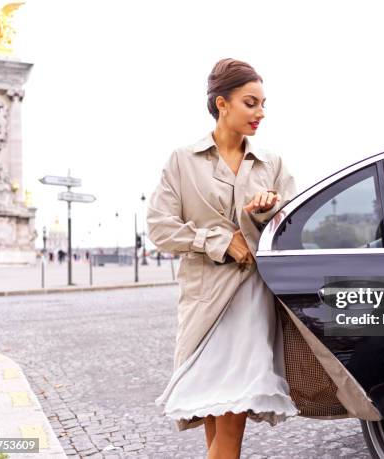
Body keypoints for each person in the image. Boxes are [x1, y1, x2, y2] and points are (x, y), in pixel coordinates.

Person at [147, 58, 299, 458]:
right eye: (251, 103)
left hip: (250, 303)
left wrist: (268, 212)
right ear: (222, 104)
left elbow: (294, 230)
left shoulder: (273, 164)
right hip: (203, 304)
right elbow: (160, 229)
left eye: (264, 103)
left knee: (229, 425)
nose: (260, 113)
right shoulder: (182, 160)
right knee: (216, 419)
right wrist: (217, 241)